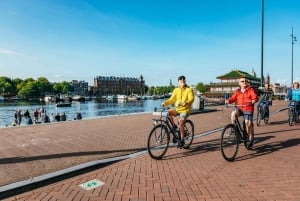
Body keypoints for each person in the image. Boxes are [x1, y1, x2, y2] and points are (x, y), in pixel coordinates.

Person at [161, 75, 195, 148]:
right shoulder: (176, 90)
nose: (182, 81)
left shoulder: (189, 89)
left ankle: (182, 139)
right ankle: (174, 126)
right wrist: (165, 103)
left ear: (185, 81)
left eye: (183, 80)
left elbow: (191, 98)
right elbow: (172, 99)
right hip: (177, 109)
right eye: (180, 80)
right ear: (178, 82)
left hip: (185, 110)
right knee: (168, 112)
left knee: (181, 122)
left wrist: (187, 102)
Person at [225, 77, 258, 149]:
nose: (244, 82)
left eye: (245, 81)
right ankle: (234, 129)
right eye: (242, 81)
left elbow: (254, 96)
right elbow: (233, 98)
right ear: (239, 83)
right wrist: (228, 101)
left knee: (247, 123)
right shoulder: (237, 91)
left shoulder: (250, 89)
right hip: (240, 108)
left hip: (248, 108)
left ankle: (250, 138)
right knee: (233, 113)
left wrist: (253, 100)